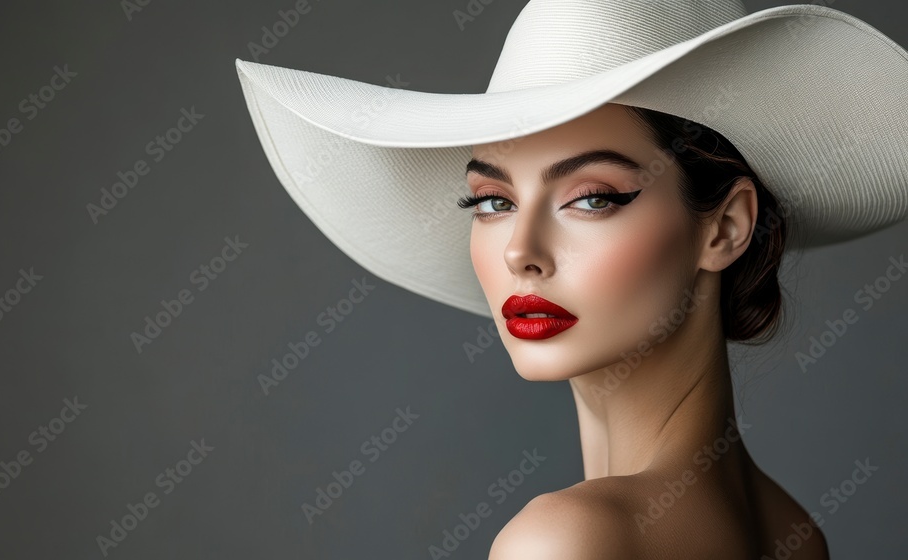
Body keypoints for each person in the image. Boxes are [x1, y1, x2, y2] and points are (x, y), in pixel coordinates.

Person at [233, 0, 908, 557]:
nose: (521, 252)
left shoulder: (565, 541)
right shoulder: (795, 536)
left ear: (724, 227)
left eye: (593, 197)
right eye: (493, 201)